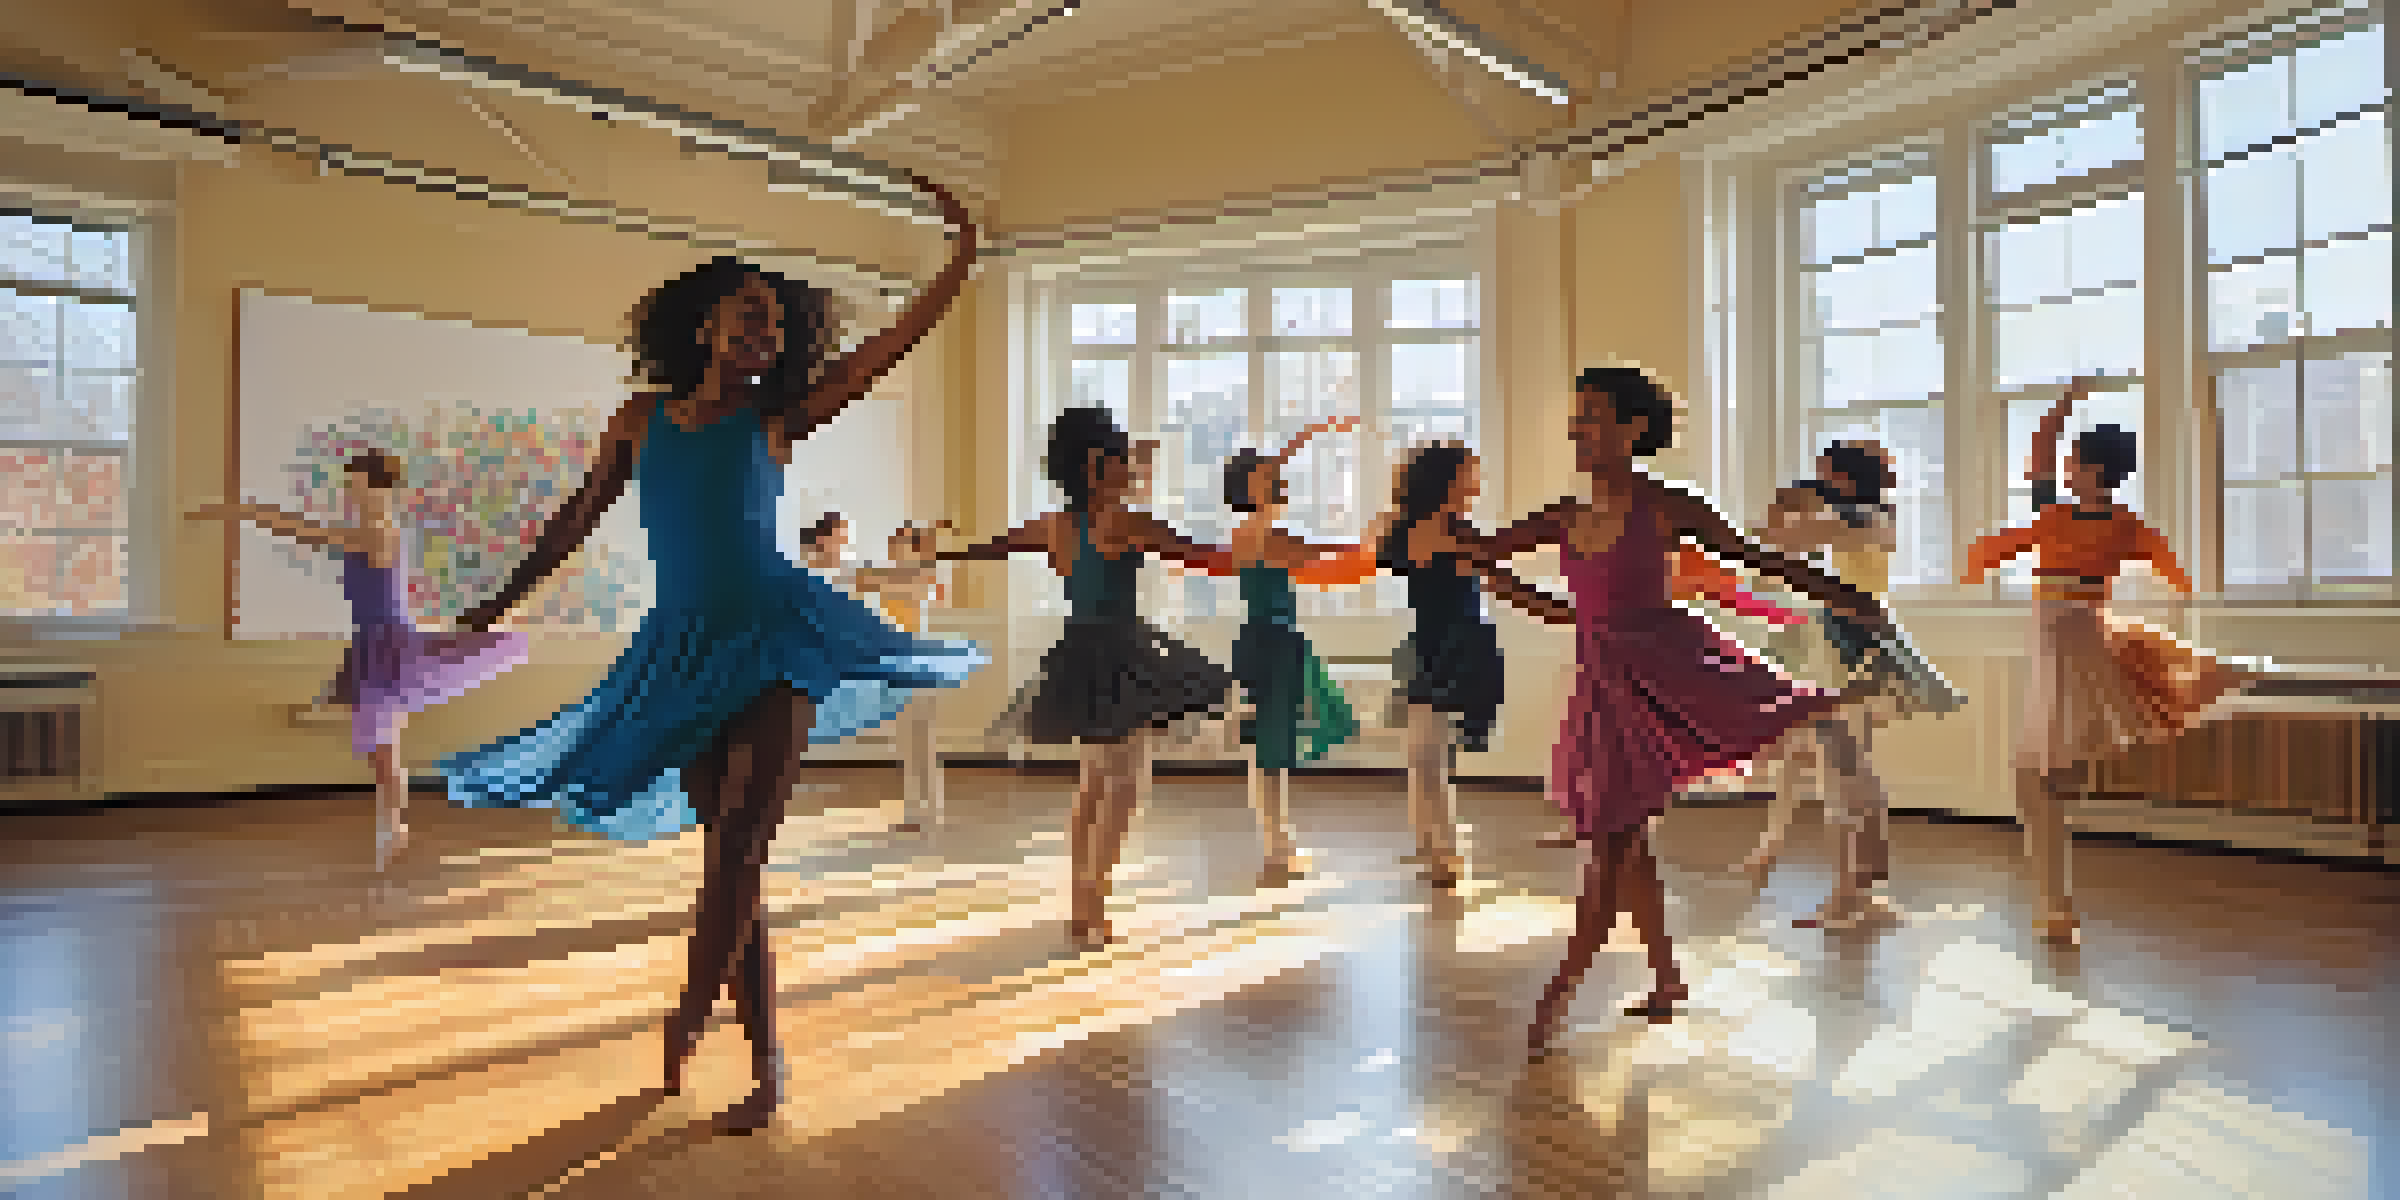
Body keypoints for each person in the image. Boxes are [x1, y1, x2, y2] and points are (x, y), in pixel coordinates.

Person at [439, 173, 982, 1133]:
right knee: (736, 873)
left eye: (774, 325)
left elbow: (883, 353)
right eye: (748, 319)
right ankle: (766, 1064)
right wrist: (497, 601)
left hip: (776, 638)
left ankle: (693, 1010)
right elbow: (574, 518)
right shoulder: (640, 422)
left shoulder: (776, 418)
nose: (764, 337)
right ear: (706, 329)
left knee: (739, 845)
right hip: (681, 653)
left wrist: (959, 259)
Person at [1485, 366, 1890, 1055]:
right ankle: (1667, 979)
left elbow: (1753, 557)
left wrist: (1840, 594)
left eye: (1593, 416)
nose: (1579, 430)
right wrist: (1457, 553)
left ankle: (1556, 996)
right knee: (1627, 844)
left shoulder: (1668, 505)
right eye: (1576, 416)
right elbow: (1536, 590)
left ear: (1632, 429)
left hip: (1663, 679)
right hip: (1601, 697)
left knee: (1609, 856)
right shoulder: (1561, 516)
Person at [1960, 376, 2251, 945]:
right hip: (2077, 633)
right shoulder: (2123, 526)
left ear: (2091, 472)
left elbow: (2042, 448)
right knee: (2048, 774)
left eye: (2074, 463)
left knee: (2034, 777)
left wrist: (2068, 399)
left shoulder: (2064, 513)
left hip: (2066, 638)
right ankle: (2055, 906)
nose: (2063, 467)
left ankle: (2055, 906)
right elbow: (2173, 574)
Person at [941, 407, 1236, 948]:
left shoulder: (1054, 524)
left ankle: (1084, 892)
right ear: (1099, 466)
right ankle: (1091, 899)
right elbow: (1206, 557)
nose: (1133, 467)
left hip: (1079, 650)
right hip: (1120, 650)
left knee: (1097, 777)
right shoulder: (1127, 521)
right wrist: (1266, 548)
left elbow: (988, 548)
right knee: (1126, 779)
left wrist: (936, 548)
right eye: (1123, 457)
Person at [189, 450, 529, 870]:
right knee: (382, 754)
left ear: (377, 487)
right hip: (371, 644)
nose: (350, 493)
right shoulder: (370, 529)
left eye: (355, 486)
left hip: (389, 646)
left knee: (383, 753)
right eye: (348, 487)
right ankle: (392, 829)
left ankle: (391, 826)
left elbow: (305, 532)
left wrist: (241, 511)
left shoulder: (378, 532)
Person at [1747, 439, 1966, 928]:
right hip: (1857, 637)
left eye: (1825, 474)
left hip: (1848, 645)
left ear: (1843, 480)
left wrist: (1791, 502)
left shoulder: (1856, 518)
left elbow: (1771, 540)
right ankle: (1867, 895)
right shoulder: (1873, 515)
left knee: (1844, 777)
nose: (1820, 481)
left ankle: (1848, 899)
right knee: (1855, 772)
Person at [1371, 440, 1554, 886]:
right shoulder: (1403, 529)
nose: (1477, 482)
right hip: (1426, 644)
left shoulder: (1463, 533)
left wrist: (1567, 612)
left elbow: (1506, 585)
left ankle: (1446, 856)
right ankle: (1432, 846)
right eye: (1469, 473)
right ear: (1446, 480)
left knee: (1430, 755)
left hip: (1465, 645)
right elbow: (1377, 550)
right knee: (1421, 755)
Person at [1221, 417, 1375, 884]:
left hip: (1265, 640)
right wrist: (1372, 545)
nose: (1278, 477)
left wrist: (1310, 435)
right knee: (1271, 750)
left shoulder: (1254, 530)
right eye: (1267, 476)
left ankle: (1279, 843)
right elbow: (1320, 555)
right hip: (1273, 643)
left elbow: (1314, 547)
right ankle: (1276, 848)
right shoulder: (1262, 534)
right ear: (1252, 487)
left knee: (1272, 748)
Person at [852, 521, 952, 831]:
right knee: (907, 742)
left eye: (902, 542)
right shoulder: (888, 575)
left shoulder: (921, 575)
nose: (895, 546)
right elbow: (859, 581)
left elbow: (932, 587)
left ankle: (930, 808)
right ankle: (914, 810)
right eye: (894, 541)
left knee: (923, 740)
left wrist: (930, 545)